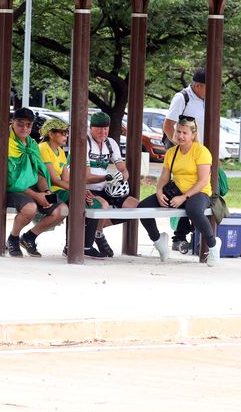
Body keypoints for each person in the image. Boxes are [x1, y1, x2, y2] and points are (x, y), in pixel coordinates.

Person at [137, 117, 220, 265]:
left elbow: (203, 181)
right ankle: (158, 241)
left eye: (185, 133)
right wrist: (159, 192)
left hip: (199, 193)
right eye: (178, 132)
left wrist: (184, 197)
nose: (181, 136)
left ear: (193, 135)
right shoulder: (171, 152)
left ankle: (213, 245)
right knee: (142, 208)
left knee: (193, 210)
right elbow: (164, 177)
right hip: (176, 192)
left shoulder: (201, 151)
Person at [38, 117, 103, 258]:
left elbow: (66, 179)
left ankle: (84, 245)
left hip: (60, 191)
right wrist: (78, 192)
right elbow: (54, 181)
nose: (66, 136)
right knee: (78, 202)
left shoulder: (61, 151)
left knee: (94, 203)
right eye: (63, 133)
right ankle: (75, 246)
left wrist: (82, 191)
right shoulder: (43, 148)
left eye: (67, 133)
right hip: (47, 192)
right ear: (51, 134)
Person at [6, 107, 68, 257]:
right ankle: (13, 238)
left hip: (35, 188)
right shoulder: (6, 142)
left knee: (63, 209)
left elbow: (40, 172)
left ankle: (29, 237)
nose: (25, 128)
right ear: (12, 123)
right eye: (21, 124)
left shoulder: (32, 144)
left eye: (29, 124)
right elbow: (12, 180)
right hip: (12, 189)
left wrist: (46, 191)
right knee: (30, 208)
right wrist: (37, 196)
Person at [85, 111, 140, 257]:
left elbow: (122, 168)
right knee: (102, 205)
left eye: (105, 129)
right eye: (99, 129)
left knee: (136, 207)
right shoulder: (85, 142)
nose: (103, 132)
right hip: (88, 190)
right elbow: (85, 177)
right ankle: (97, 234)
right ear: (91, 128)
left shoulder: (111, 143)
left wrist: (123, 176)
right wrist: (108, 177)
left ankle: (97, 230)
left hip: (107, 188)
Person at [163, 68, 206, 253]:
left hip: (200, 153)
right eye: (207, 87)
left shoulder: (207, 99)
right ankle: (179, 236)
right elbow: (167, 125)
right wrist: (181, 147)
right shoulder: (182, 98)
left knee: (198, 190)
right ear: (197, 85)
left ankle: (193, 234)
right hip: (182, 151)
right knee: (180, 189)